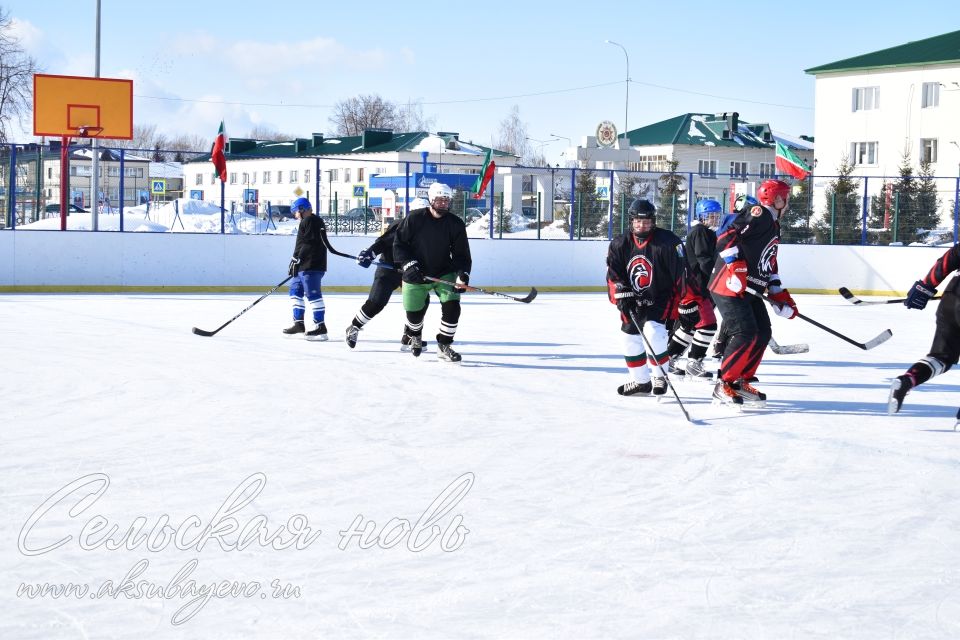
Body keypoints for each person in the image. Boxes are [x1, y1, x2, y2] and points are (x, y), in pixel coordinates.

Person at [707, 180, 797, 406]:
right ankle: (723, 383)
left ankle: (740, 380)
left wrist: (777, 292)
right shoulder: (760, 214)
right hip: (728, 285)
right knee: (744, 331)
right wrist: (735, 265)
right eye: (786, 198)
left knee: (763, 332)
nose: (788, 203)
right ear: (777, 199)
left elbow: (769, 261)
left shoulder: (774, 225)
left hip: (751, 289)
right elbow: (726, 234)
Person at [606, 198, 685, 396]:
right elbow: (613, 275)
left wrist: (686, 304)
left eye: (647, 222)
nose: (643, 225)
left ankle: (660, 376)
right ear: (631, 221)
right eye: (638, 222)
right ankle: (641, 382)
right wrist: (621, 295)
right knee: (629, 339)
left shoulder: (668, 242)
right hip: (632, 299)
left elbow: (683, 275)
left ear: (653, 222)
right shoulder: (619, 244)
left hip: (660, 297)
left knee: (654, 332)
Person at [393, 183, 472, 362]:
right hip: (415, 273)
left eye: (446, 200)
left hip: (443, 273)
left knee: (453, 308)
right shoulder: (414, 218)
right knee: (413, 314)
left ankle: (444, 345)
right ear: (431, 199)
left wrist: (462, 274)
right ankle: (415, 334)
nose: (443, 203)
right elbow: (399, 245)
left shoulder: (455, 224)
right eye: (439, 200)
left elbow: (462, 254)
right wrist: (409, 265)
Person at [345, 198, 431, 350]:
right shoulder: (401, 225)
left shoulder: (431, 230)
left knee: (421, 302)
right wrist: (370, 253)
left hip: (409, 271)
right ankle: (354, 327)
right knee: (376, 302)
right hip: (389, 270)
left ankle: (410, 335)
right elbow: (383, 242)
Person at [888, 243, 960, 412]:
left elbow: (950, 257)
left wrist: (925, 287)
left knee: (941, 357)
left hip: (951, 299)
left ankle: (908, 380)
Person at [667, 198, 721, 379]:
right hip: (695, 287)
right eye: (710, 216)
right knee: (707, 326)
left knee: (689, 326)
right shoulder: (700, 231)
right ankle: (694, 363)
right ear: (701, 216)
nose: (714, 219)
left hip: (696, 287)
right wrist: (718, 279)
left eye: (716, 216)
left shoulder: (707, 232)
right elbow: (704, 260)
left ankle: (669, 360)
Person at [283, 197, 328, 340]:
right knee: (295, 291)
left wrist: (297, 259)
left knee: (313, 295)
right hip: (303, 265)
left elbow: (308, 243)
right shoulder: (307, 221)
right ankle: (299, 324)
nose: (295, 215)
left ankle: (320, 326)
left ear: (302, 209)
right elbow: (302, 243)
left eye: (296, 212)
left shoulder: (311, 221)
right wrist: (294, 260)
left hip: (312, 265)